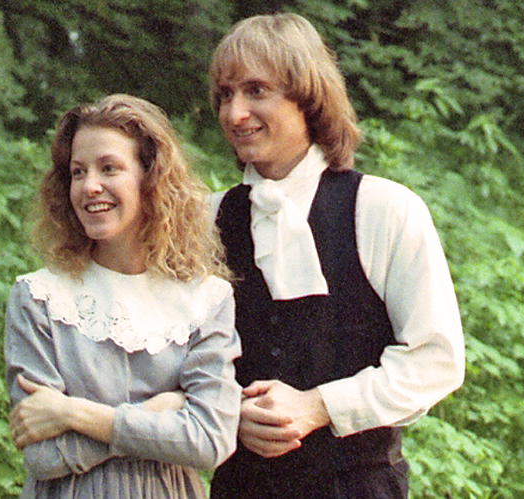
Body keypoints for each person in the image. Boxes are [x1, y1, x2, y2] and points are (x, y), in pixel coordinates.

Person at [207, 13, 466, 499]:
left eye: (256, 91)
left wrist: (319, 406)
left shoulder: (385, 209)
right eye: (225, 94)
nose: (234, 112)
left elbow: (436, 360)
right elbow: (171, 356)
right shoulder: (207, 220)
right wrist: (228, 412)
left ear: (308, 96)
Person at [3, 94, 241, 499]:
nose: (90, 186)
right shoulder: (40, 297)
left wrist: (74, 413)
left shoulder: (205, 298)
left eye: (109, 168)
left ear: (150, 178)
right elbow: (42, 457)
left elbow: (209, 441)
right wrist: (157, 413)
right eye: (78, 172)